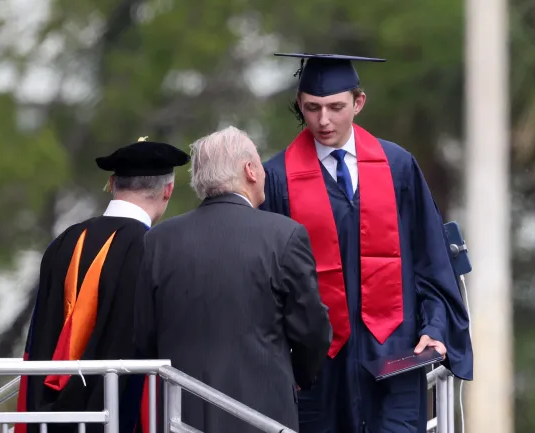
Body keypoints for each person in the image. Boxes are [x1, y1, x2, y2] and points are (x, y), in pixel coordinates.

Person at [260, 53, 474, 433]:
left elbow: (430, 259)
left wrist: (435, 327)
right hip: (318, 367)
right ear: (300, 106)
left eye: (335, 107)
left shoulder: (397, 166)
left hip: (393, 356)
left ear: (358, 103)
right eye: (312, 108)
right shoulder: (277, 178)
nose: (323, 120)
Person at [133, 126, 332, 433]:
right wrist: (300, 377)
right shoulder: (285, 235)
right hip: (263, 417)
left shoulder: (158, 241)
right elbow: (312, 330)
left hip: (181, 416)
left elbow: (144, 337)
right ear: (250, 170)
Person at [16, 137, 190, 433]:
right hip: (120, 416)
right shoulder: (157, 249)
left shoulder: (63, 242)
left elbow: (38, 336)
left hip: (49, 418)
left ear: (112, 182)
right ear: (168, 190)